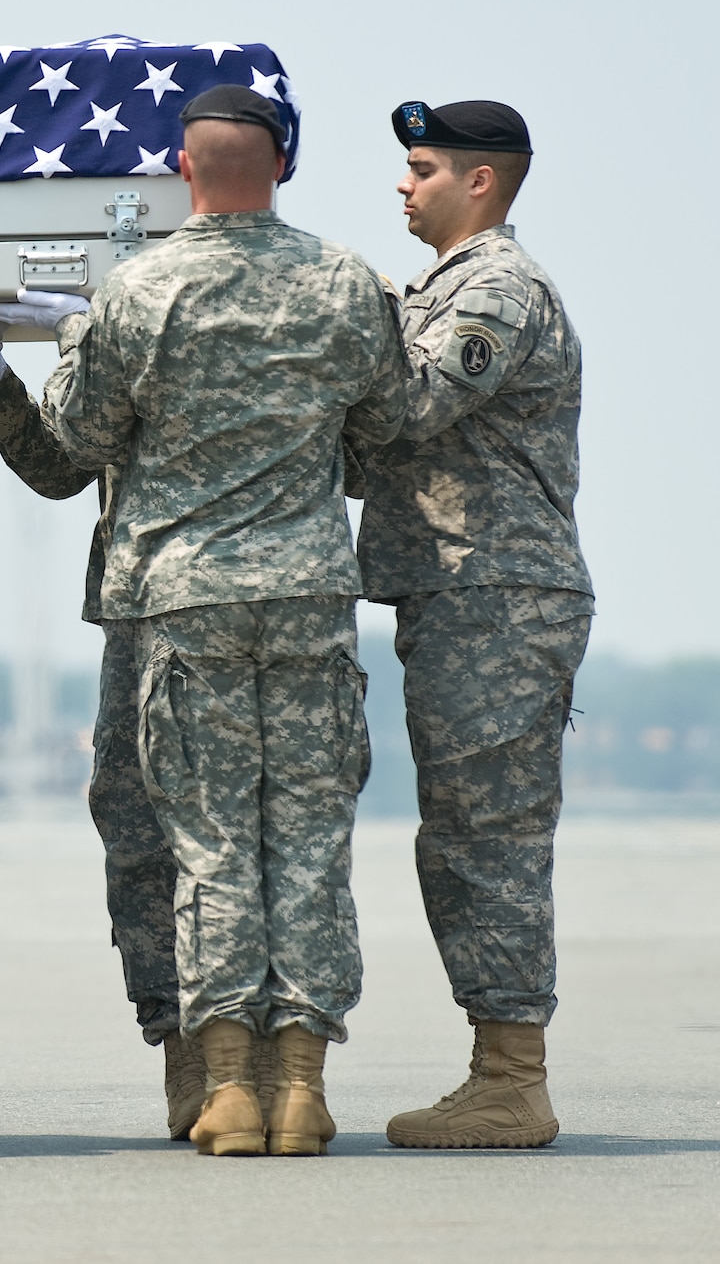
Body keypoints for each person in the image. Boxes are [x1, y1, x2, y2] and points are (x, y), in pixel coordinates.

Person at [40, 84, 409, 1156]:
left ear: (182, 169)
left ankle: (230, 1089)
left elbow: (80, 430)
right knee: (304, 844)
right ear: (280, 164)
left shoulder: (140, 288)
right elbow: (387, 419)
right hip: (304, 594)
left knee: (203, 847)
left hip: (184, 601)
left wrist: (69, 337)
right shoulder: (344, 282)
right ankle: (301, 1087)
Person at [361, 101, 590, 1149]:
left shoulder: (494, 288)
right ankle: (499, 1066)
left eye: (419, 169)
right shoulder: (442, 292)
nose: (401, 186)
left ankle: (510, 1078)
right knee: (461, 837)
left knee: (484, 840)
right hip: (463, 593)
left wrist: (316, 320)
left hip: (495, 596)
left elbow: (407, 408)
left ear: (478, 182)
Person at [0, 295, 222, 1140]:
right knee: (137, 820)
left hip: (236, 594)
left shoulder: (217, 302)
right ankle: (190, 1052)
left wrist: (89, 341)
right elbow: (67, 463)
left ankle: (263, 1061)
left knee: (246, 834)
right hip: (143, 602)